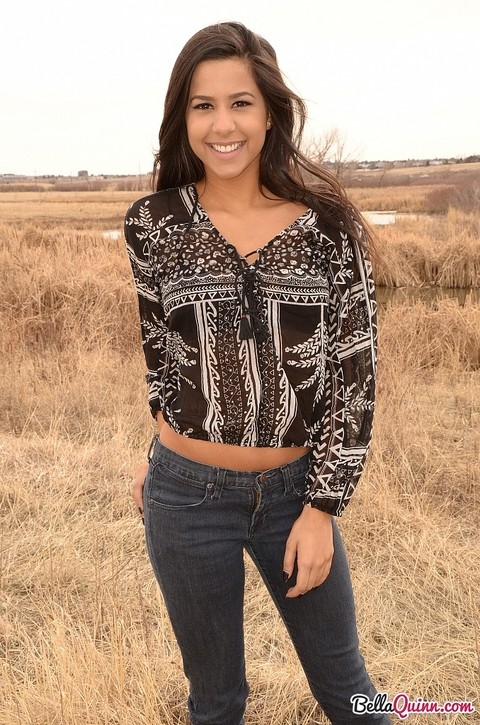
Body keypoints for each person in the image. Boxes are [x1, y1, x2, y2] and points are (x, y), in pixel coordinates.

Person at [124, 21, 390, 725]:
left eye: (240, 102)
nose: (223, 124)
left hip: (293, 493)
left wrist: (322, 506)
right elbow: (161, 352)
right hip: (183, 498)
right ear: (182, 118)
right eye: (202, 105)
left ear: (270, 111)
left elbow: (353, 383)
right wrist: (160, 452)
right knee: (216, 702)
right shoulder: (153, 224)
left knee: (350, 692)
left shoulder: (328, 229)